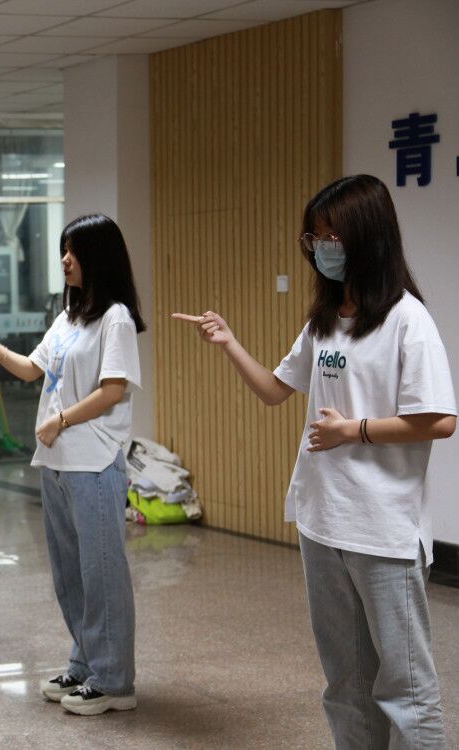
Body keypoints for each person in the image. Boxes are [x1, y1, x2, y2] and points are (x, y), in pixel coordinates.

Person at [174, 174, 455, 748]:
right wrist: (229, 342)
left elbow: (440, 419)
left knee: (406, 688)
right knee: (345, 681)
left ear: (367, 237)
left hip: (383, 529)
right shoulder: (326, 320)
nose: (322, 249)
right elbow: (276, 390)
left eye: (332, 236)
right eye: (315, 238)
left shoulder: (407, 320)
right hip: (323, 520)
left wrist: (355, 431)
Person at [0, 214, 144, 716]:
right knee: (69, 573)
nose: (64, 259)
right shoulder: (69, 318)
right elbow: (31, 369)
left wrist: (60, 419)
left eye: (73, 251)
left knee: (102, 572)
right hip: (59, 460)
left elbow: (113, 390)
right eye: (63, 249)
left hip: (94, 459)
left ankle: (115, 680)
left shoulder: (116, 319)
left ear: (97, 257)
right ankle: (85, 663)